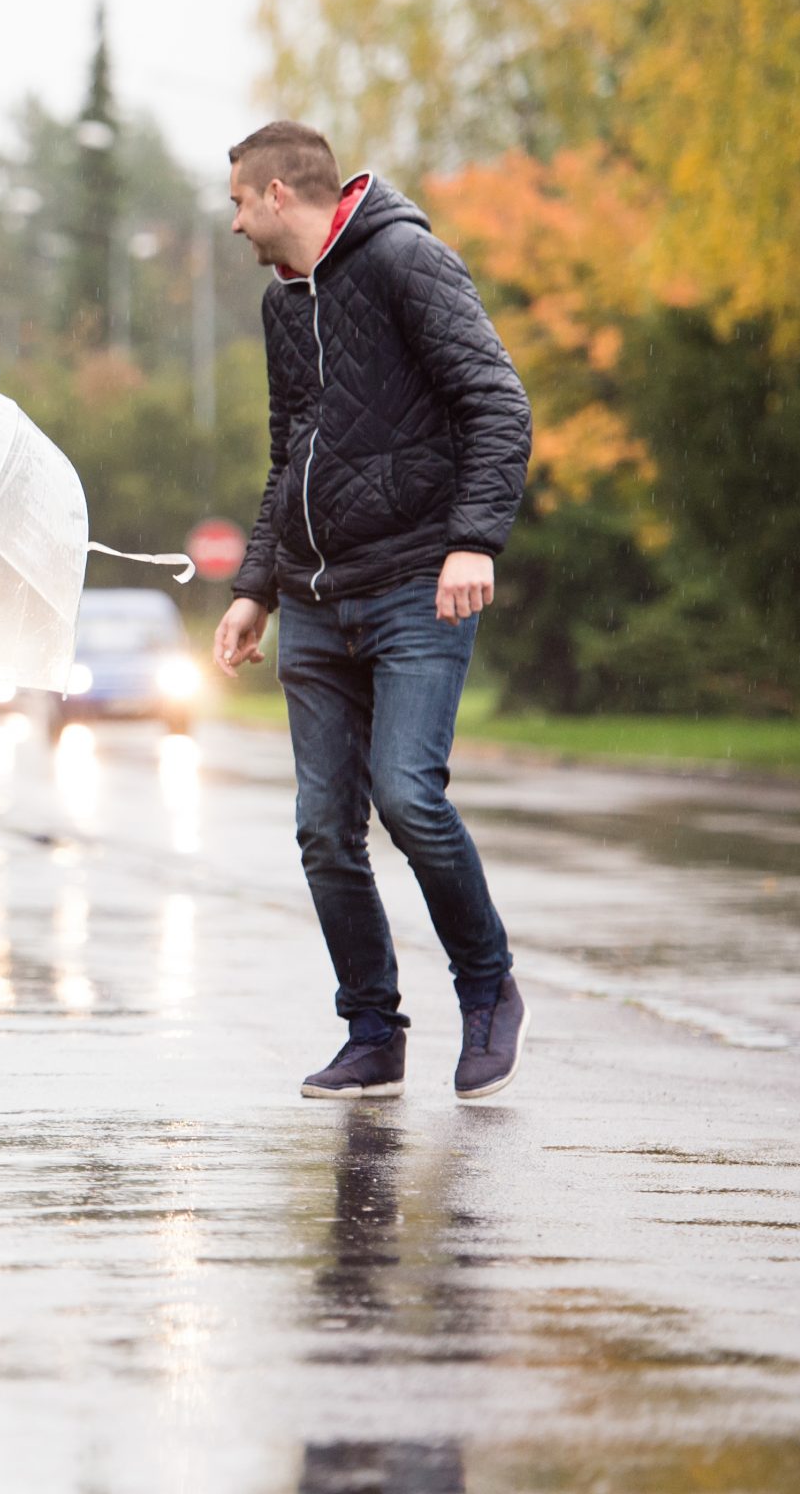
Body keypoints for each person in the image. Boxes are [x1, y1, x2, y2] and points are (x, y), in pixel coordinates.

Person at [212, 121, 534, 1103]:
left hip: (410, 583)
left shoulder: (404, 258)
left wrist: (472, 537)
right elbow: (289, 456)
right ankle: (370, 1030)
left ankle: (486, 988)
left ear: (277, 193)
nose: (230, 223)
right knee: (322, 829)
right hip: (314, 596)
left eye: (235, 201)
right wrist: (254, 586)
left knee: (406, 796)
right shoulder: (281, 304)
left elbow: (494, 399)